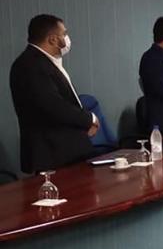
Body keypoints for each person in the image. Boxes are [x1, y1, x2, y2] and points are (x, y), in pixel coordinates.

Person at [9, 14, 99, 173]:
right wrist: (89, 119)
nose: (67, 38)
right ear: (52, 39)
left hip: (68, 151)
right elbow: (54, 105)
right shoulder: (31, 65)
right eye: (64, 33)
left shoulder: (44, 62)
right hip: (53, 154)